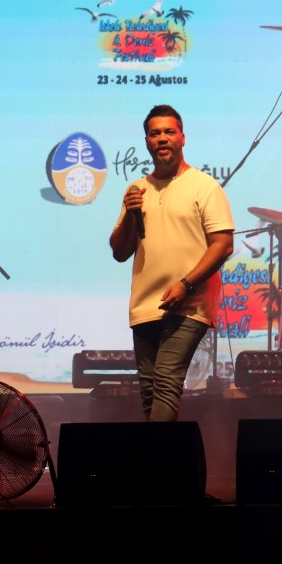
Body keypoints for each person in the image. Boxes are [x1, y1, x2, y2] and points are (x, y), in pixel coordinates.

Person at [109, 105, 234, 422]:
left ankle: (153, 454)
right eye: (155, 133)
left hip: (188, 302)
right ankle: (166, 452)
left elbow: (223, 245)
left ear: (182, 138)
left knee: (166, 381)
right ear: (147, 142)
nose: (162, 138)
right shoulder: (137, 190)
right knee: (150, 393)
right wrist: (130, 214)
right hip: (145, 304)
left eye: (169, 132)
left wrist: (186, 284)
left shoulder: (204, 186)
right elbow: (120, 251)